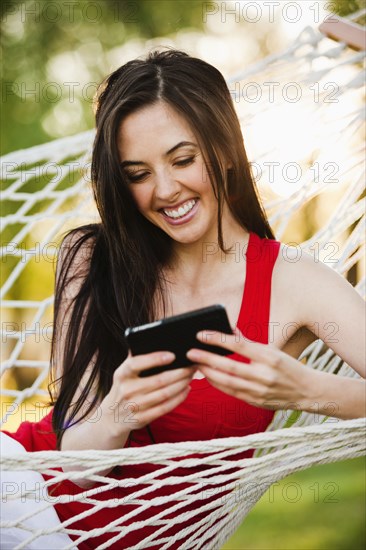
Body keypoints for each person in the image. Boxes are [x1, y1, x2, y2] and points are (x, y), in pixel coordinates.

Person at [3, 49, 365, 549]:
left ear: (225, 150)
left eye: (183, 159)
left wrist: (305, 391)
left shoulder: (293, 281)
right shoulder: (94, 258)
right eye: (138, 173)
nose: (166, 190)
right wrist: (118, 413)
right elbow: (73, 463)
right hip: (24, 503)